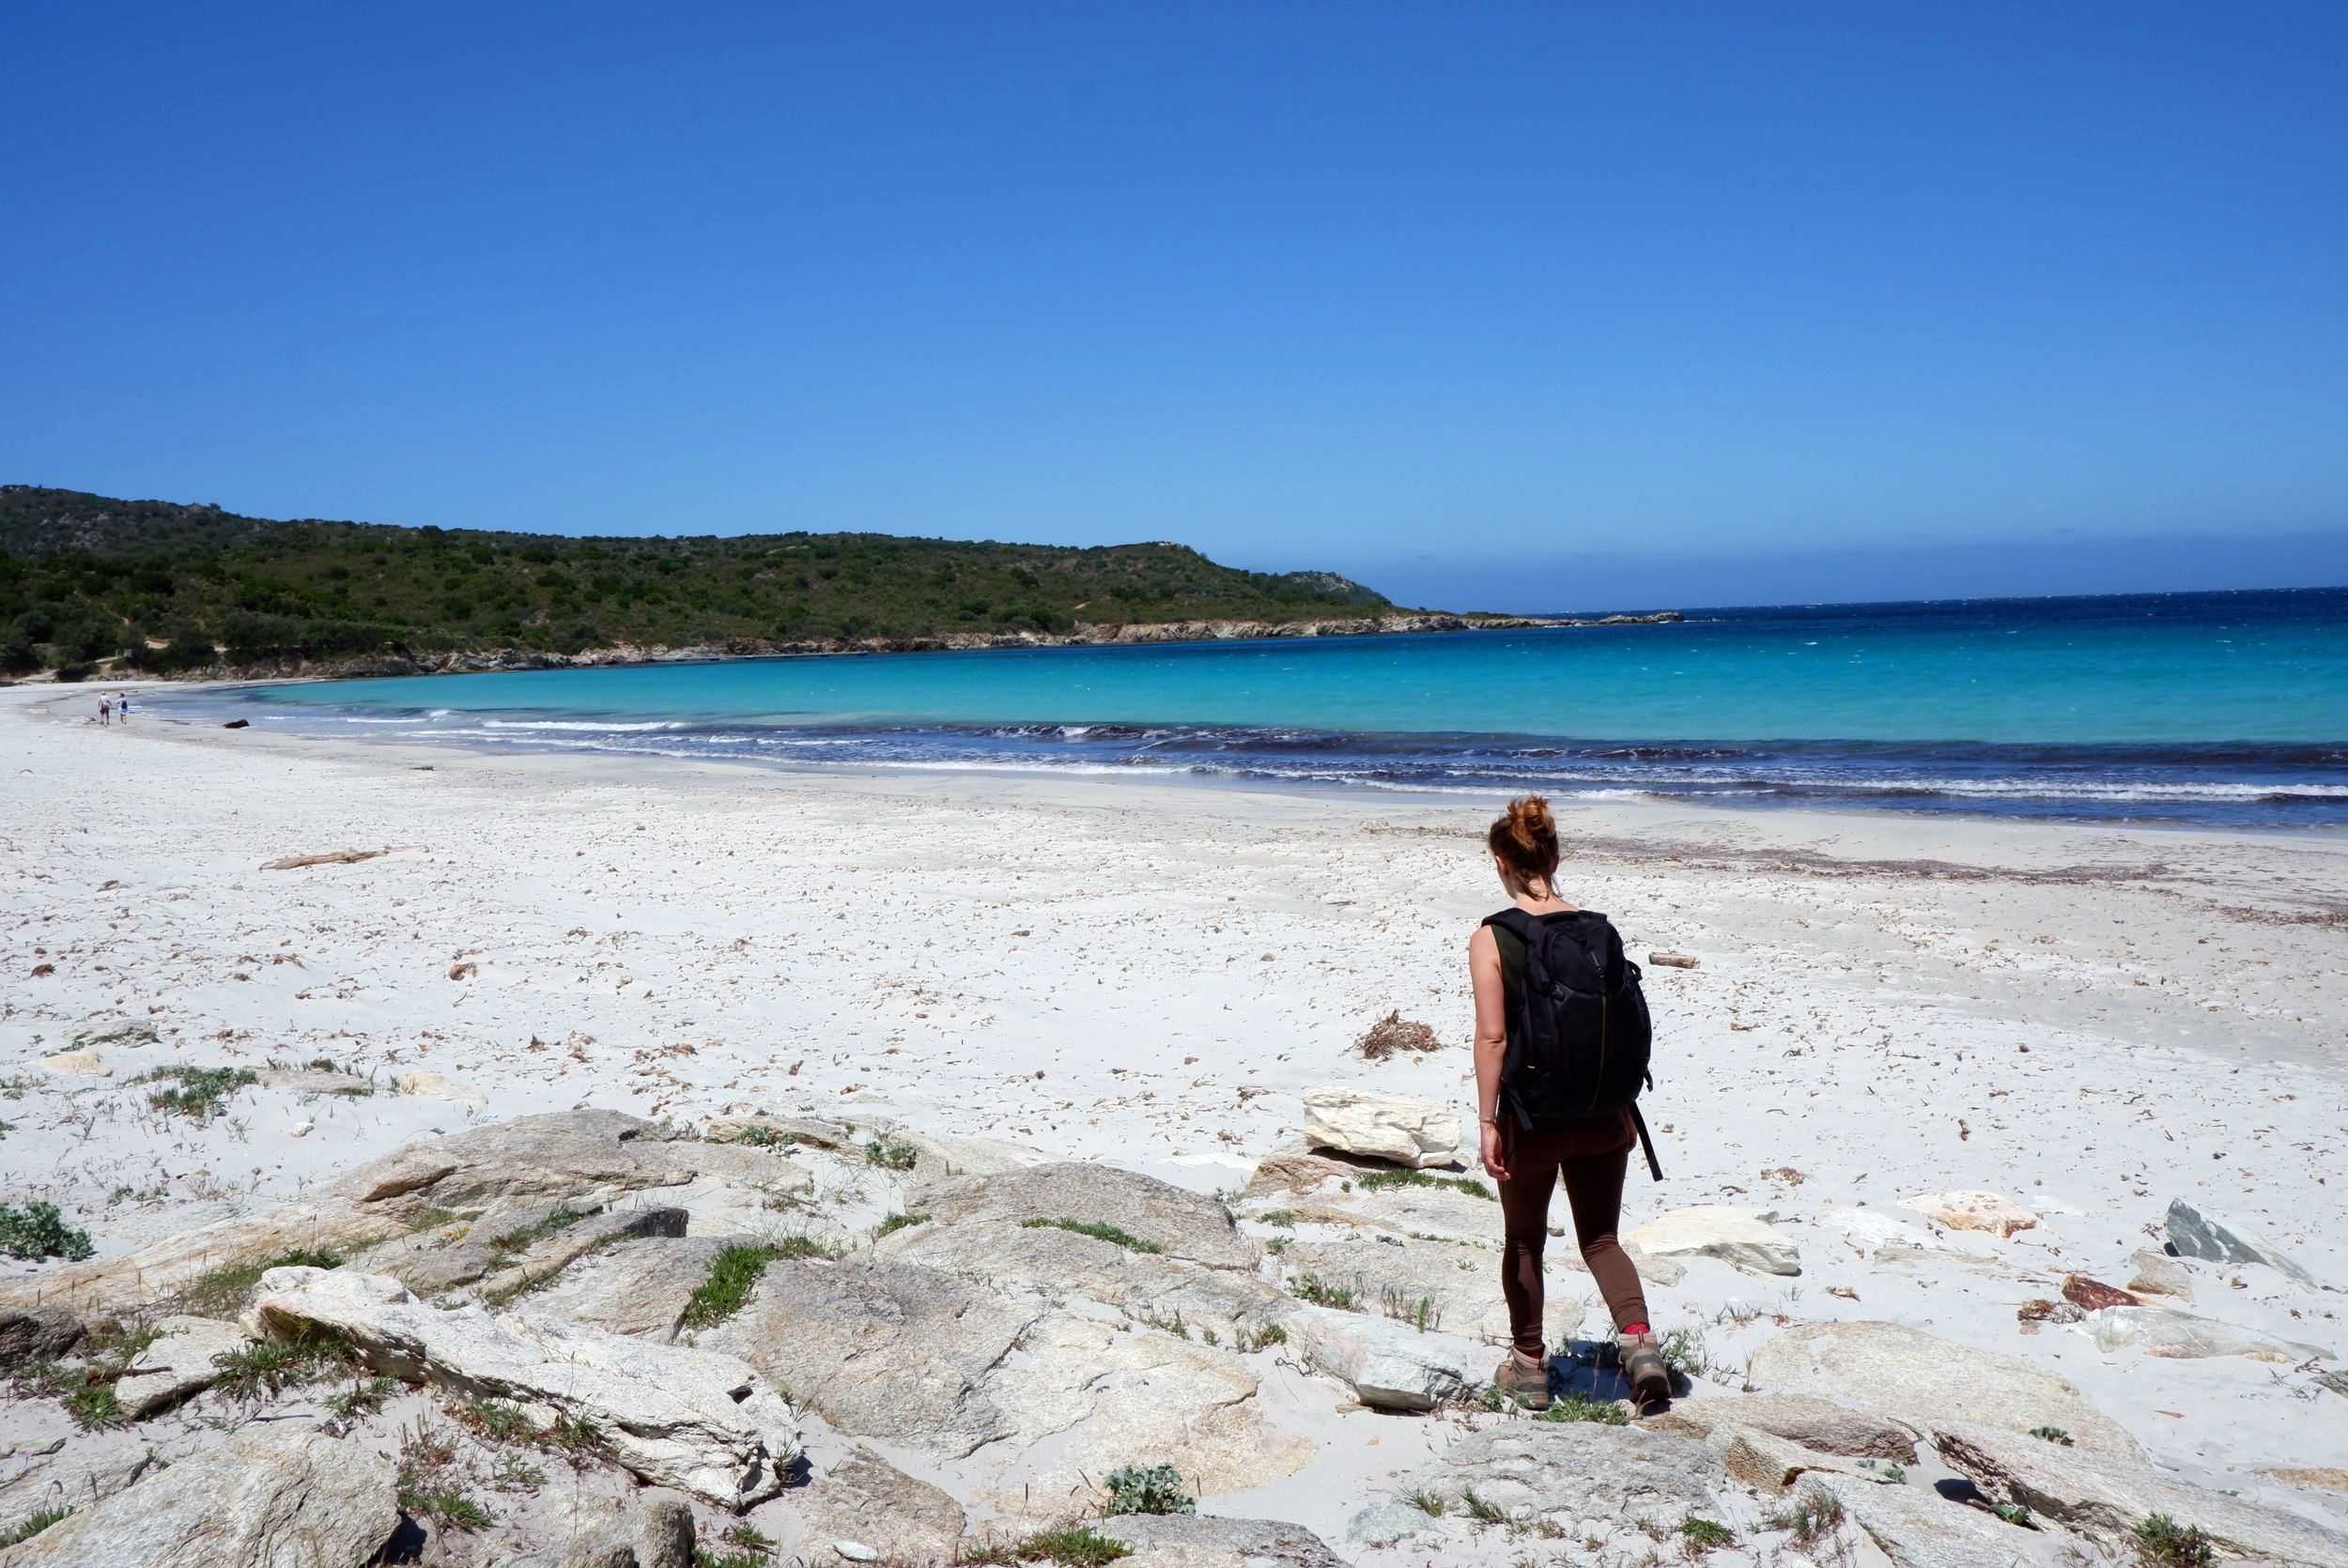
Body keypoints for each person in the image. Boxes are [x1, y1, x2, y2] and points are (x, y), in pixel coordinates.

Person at [1469, 794, 1670, 1410]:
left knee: (1525, 1240)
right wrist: (1623, 1108)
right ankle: (1640, 1347)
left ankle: (1529, 1368)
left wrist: (1487, 1123)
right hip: (1605, 1113)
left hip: (1534, 1119)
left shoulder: (1493, 937)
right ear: (1555, 857)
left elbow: (1493, 1036)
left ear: (1502, 861)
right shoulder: (1598, 931)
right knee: (1602, 1239)